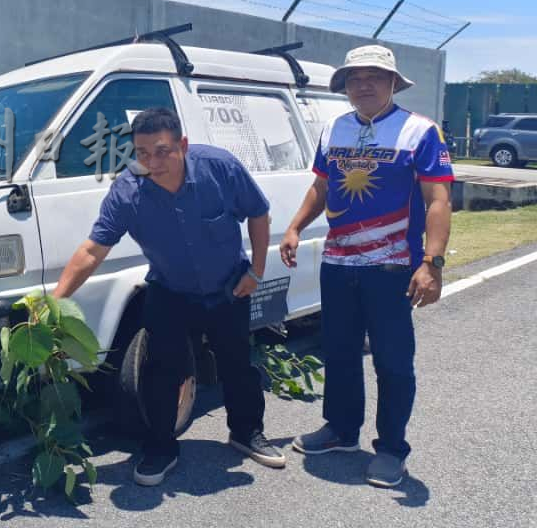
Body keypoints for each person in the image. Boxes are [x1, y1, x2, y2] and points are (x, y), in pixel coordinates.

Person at [53, 107, 285, 487]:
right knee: (162, 372)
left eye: (162, 151)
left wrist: (256, 272)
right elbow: (93, 250)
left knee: (237, 363)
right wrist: (56, 302)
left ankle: (246, 432)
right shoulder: (128, 191)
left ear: (183, 145)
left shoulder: (219, 168)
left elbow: (259, 215)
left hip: (229, 286)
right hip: (170, 292)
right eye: (142, 154)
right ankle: (161, 447)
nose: (152, 163)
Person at [280, 45, 453, 488]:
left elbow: (438, 200)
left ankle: (392, 449)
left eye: (376, 76)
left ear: (394, 82)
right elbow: (321, 187)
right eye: (356, 78)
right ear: (346, 86)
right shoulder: (334, 128)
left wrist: (432, 263)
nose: (365, 84)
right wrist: (296, 226)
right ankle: (340, 429)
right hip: (338, 264)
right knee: (338, 352)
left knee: (393, 362)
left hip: (393, 267)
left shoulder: (420, 131)